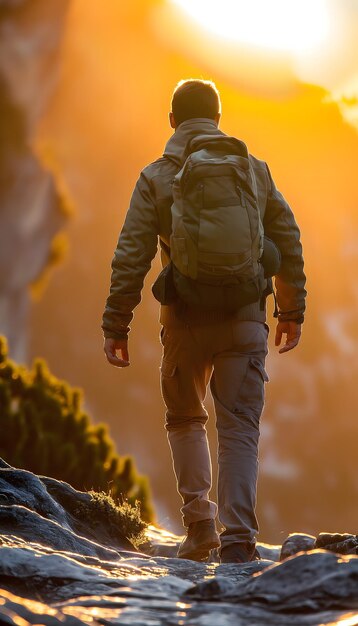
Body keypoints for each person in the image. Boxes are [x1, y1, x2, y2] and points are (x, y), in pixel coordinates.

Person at [102, 79, 306, 563]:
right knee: (239, 427)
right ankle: (238, 539)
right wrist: (291, 310)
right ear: (218, 118)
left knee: (186, 418)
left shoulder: (155, 176)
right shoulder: (253, 171)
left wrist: (117, 324)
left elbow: (131, 255)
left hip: (184, 320)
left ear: (172, 120)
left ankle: (199, 528)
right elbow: (288, 238)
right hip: (245, 318)